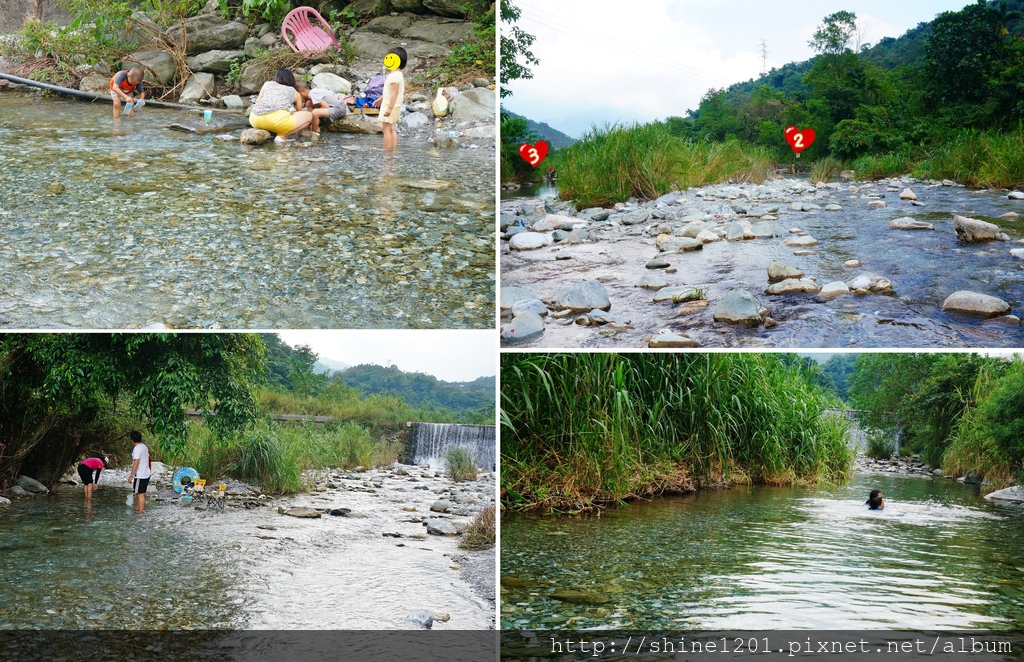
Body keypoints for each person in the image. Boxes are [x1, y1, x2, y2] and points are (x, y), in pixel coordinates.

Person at [248, 69, 313, 144]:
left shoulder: (267, 84)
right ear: (291, 80)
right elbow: (299, 112)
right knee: (309, 116)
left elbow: (257, 103)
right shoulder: (294, 92)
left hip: (255, 119)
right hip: (278, 122)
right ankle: (282, 136)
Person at [376, 47, 406, 151]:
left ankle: (387, 150)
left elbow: (394, 93)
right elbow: (390, 92)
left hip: (390, 106)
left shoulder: (394, 77)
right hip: (395, 105)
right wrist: (381, 98)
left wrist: (389, 108)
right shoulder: (398, 75)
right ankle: (392, 149)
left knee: (385, 128)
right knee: (392, 127)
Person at [127, 431, 151, 512]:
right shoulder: (144, 446)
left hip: (140, 474)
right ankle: (139, 510)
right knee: (142, 492)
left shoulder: (136, 449)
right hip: (146, 473)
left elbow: (136, 462)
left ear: (132, 440)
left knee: (139, 494)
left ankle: (140, 514)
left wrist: (131, 475)